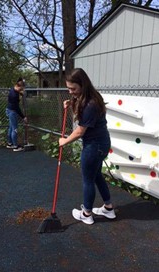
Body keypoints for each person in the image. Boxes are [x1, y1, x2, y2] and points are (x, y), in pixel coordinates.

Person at [59, 68, 116, 225]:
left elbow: (79, 132)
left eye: (73, 89)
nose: (70, 92)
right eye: (68, 88)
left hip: (94, 146)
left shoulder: (90, 104)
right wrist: (70, 103)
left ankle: (86, 213)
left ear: (82, 85)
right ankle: (108, 208)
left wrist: (64, 141)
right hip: (102, 144)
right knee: (96, 175)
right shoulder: (91, 97)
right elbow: (82, 109)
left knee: (88, 180)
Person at [6, 77, 27, 152]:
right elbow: (17, 108)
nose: (21, 90)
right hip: (12, 111)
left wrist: (20, 93)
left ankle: (10, 143)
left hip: (8, 110)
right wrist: (23, 117)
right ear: (18, 86)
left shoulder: (13, 89)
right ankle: (15, 146)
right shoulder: (14, 96)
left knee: (11, 128)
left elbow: (17, 91)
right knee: (15, 129)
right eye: (21, 89)